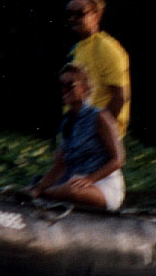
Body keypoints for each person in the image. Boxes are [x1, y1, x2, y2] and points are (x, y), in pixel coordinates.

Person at [25, 63, 126, 211]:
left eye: (70, 85)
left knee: (70, 190)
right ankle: (35, 193)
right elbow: (60, 165)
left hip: (103, 186)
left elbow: (118, 159)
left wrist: (90, 179)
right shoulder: (67, 122)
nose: (64, 90)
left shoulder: (100, 117)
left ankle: (35, 196)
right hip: (76, 181)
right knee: (41, 182)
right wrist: (39, 186)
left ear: (83, 88)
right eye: (62, 86)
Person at [66, 0, 130, 137]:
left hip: (97, 141)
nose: (73, 18)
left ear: (96, 15)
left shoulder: (106, 47)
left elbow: (120, 97)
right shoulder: (78, 49)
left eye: (79, 13)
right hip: (78, 137)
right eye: (70, 14)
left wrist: (96, 134)